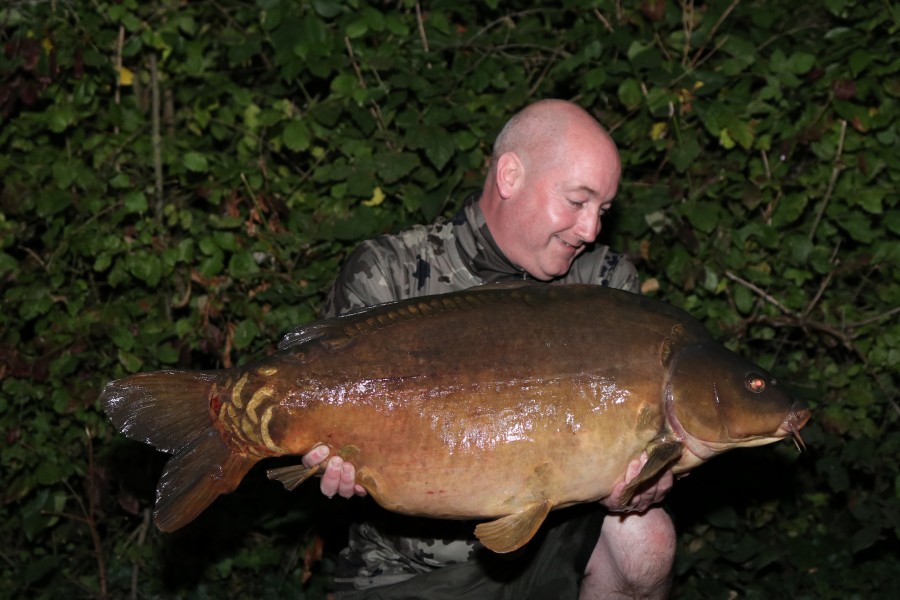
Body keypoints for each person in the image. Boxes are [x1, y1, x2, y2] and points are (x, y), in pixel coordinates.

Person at [302, 99, 676, 598]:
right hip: (405, 561)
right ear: (510, 175)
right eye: (576, 201)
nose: (590, 230)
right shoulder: (390, 272)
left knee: (646, 537)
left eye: (603, 210)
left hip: (552, 543)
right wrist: (327, 463)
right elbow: (316, 422)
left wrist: (642, 484)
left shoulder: (604, 285)